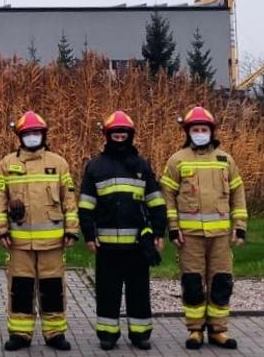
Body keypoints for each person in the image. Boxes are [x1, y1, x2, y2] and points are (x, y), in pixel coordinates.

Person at [0, 111, 80, 351]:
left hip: (52, 242)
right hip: (19, 243)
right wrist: (1, 230)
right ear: (20, 136)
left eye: (36, 133)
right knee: (20, 288)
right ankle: (20, 334)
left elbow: (69, 199)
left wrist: (72, 230)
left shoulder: (58, 163)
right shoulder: (8, 164)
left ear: (43, 135)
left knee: (52, 289)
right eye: (28, 133)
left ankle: (55, 333)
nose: (32, 137)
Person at [77, 110, 167, 351]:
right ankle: (108, 334)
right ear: (107, 135)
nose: (120, 136)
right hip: (106, 245)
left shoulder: (141, 165)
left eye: (123, 133)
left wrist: (158, 232)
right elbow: (85, 204)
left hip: (138, 245)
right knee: (108, 291)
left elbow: (156, 201)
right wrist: (88, 235)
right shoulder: (95, 166)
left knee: (139, 291)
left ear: (130, 135)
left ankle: (140, 334)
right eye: (115, 133)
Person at [161, 106, 248, 350]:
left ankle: (218, 330)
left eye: (204, 129)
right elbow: (167, 195)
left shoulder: (225, 159)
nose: (200, 133)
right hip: (189, 237)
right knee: (192, 283)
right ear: (188, 132)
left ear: (211, 131)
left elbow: (237, 192)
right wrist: (173, 228)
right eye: (196, 129)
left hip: (220, 236)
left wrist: (239, 225)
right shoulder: (177, 160)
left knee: (221, 282)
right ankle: (195, 330)